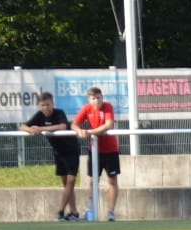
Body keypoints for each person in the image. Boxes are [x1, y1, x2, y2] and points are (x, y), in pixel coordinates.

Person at [23, 92, 80, 220]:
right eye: (42, 105)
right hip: (58, 153)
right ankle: (74, 212)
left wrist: (41, 129)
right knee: (66, 184)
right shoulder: (39, 115)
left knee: (71, 181)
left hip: (71, 150)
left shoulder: (59, 113)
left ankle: (60, 211)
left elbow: (63, 126)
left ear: (53, 104)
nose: (45, 108)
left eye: (48, 105)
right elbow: (22, 126)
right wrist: (31, 130)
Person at [72, 87, 120, 221]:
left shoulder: (108, 107)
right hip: (94, 151)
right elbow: (74, 125)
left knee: (112, 181)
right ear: (89, 99)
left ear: (102, 98)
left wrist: (89, 132)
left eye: (98, 97)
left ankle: (111, 212)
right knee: (93, 182)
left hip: (110, 150)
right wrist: (79, 131)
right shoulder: (86, 109)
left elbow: (108, 125)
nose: (96, 101)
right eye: (93, 98)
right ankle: (90, 212)